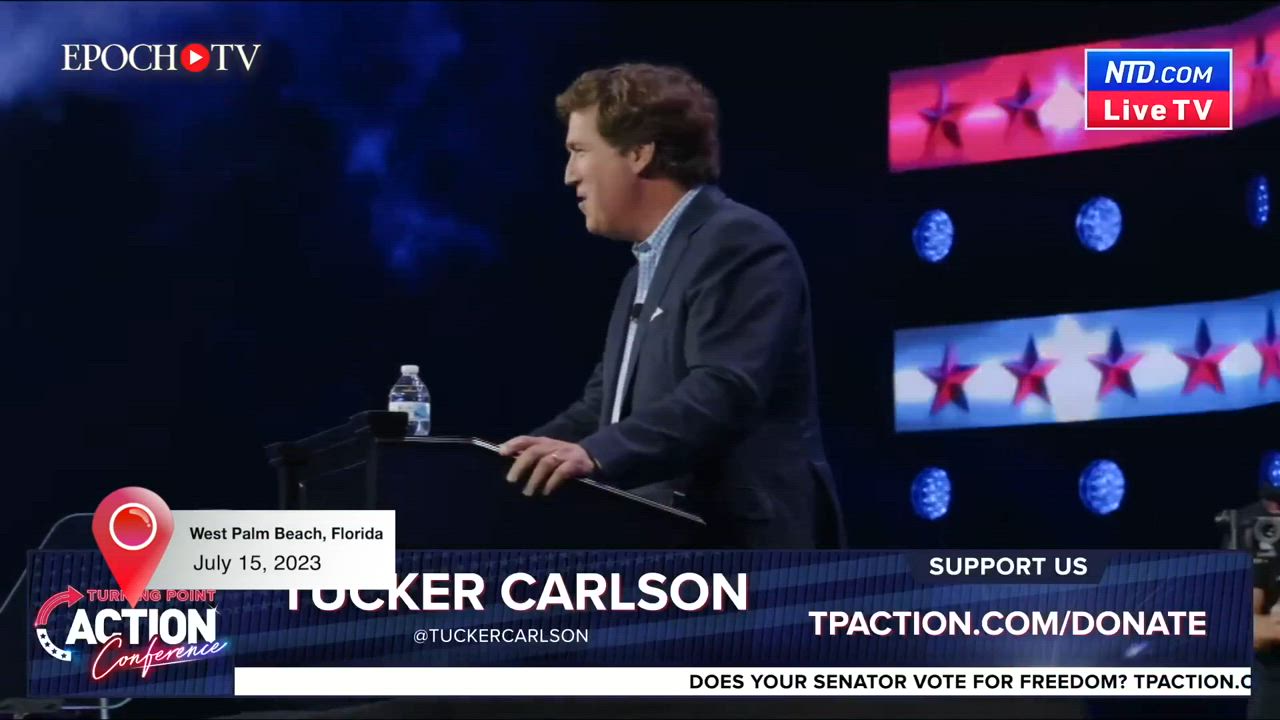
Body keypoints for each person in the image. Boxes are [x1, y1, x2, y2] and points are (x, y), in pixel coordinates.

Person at [499, 63, 844, 549]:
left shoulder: (738, 241)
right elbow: (603, 408)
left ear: (639, 153)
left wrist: (595, 455)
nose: (569, 175)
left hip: (739, 550)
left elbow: (724, 389)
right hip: (662, 545)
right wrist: (505, 465)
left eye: (579, 151)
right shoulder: (643, 270)